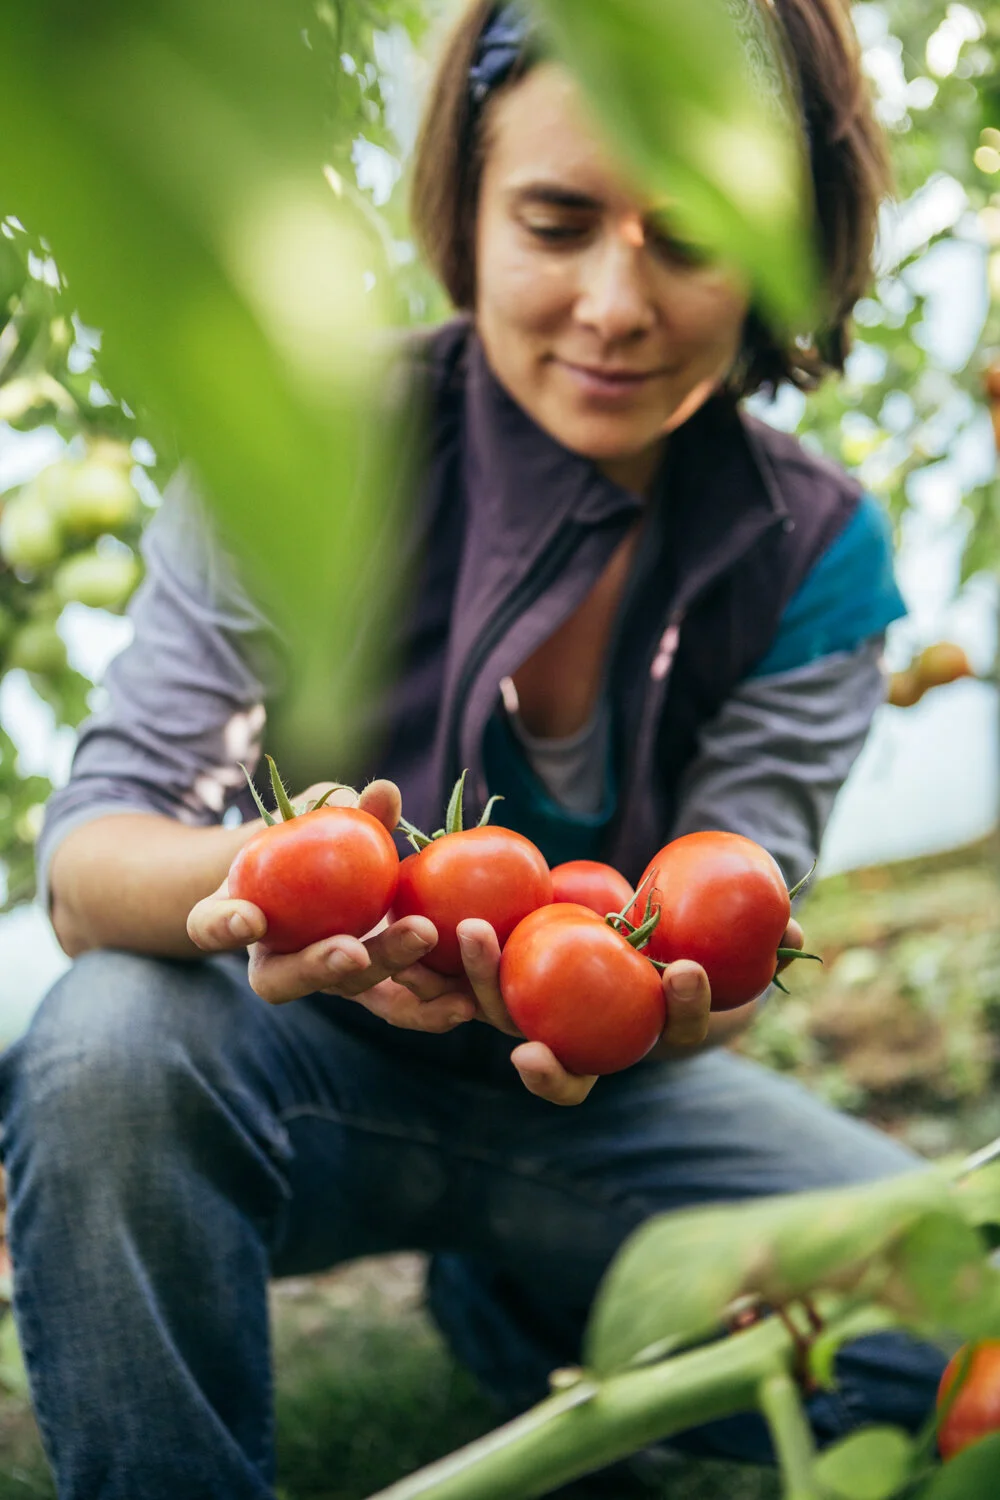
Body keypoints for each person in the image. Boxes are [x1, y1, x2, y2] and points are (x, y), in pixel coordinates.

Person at [0, 1, 947, 1496]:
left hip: (614, 1114)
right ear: (469, 206)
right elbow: (89, 861)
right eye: (556, 222)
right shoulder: (305, 438)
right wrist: (298, 875)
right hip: (287, 1080)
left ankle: (523, 1308)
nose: (616, 306)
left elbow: (738, 925)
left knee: (962, 1321)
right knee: (111, 1040)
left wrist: (665, 1002)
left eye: (691, 238)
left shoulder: (815, 548)